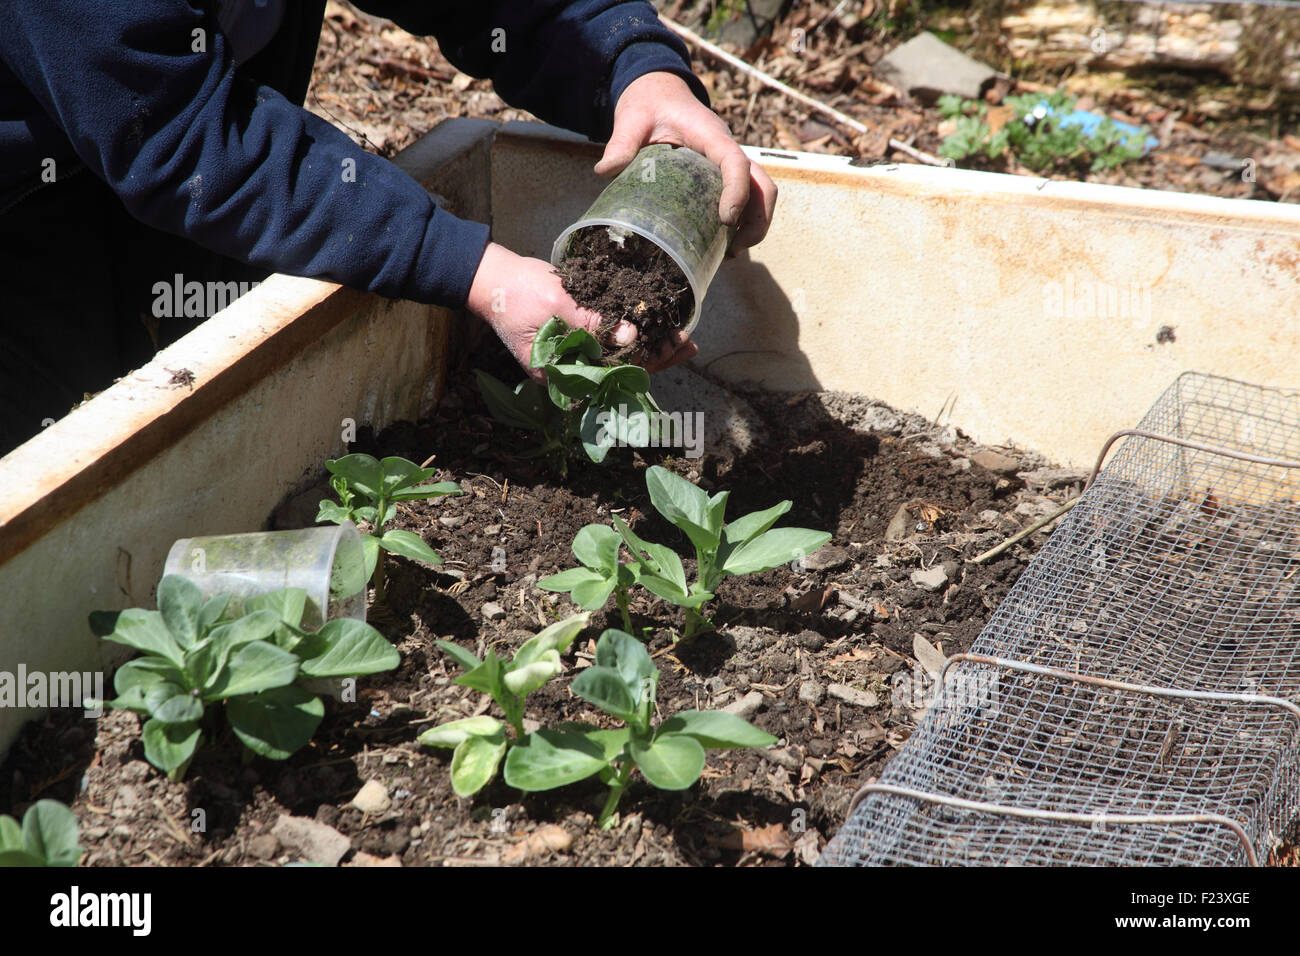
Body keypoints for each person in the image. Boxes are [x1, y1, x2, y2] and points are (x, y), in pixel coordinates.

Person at [0, 1, 777, 456]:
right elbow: (176, 131)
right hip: (23, 202)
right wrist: (484, 275)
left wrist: (635, 67)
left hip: (173, 168)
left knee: (208, 436)